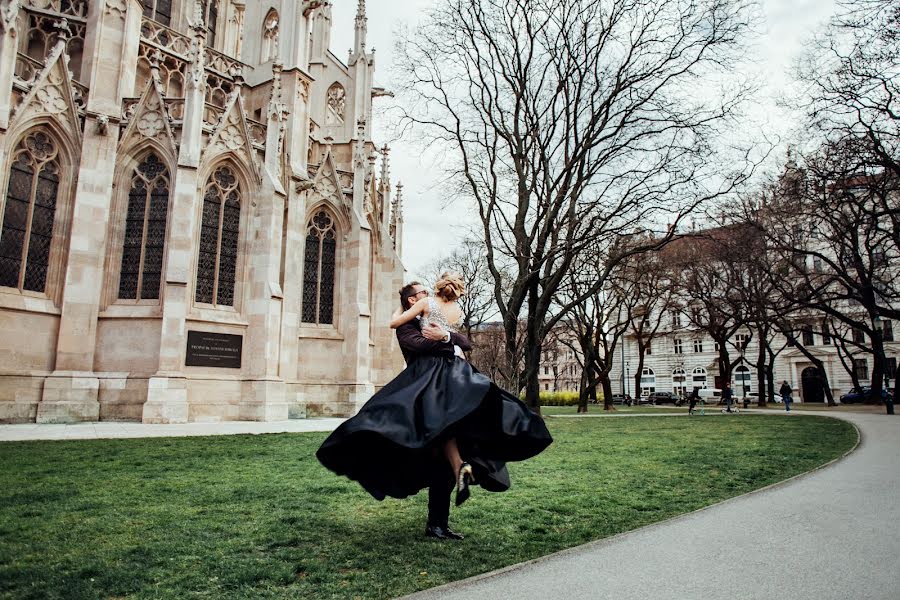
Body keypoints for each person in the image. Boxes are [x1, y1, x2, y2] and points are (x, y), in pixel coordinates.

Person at [316, 275, 553, 540]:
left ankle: (440, 519)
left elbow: (465, 343)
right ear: (412, 300)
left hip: (441, 391)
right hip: (423, 399)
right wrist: (443, 339)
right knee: (432, 454)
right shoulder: (405, 328)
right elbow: (418, 345)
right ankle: (454, 477)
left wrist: (447, 336)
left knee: (449, 455)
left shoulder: (429, 314)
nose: (428, 294)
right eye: (421, 292)